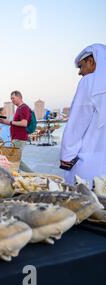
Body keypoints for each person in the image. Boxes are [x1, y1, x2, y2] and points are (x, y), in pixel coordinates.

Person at [60, 43, 106, 186]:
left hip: (90, 165)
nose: (80, 72)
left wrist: (66, 157)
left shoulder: (90, 82)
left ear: (91, 62)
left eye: (81, 66)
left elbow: (77, 123)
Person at [0, 90, 33, 172]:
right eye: (11, 98)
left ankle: (32, 174)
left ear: (19, 97)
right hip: (16, 137)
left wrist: (9, 122)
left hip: (19, 138)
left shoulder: (24, 108)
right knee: (14, 159)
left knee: (14, 159)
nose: (12, 100)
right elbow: (15, 123)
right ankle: (18, 175)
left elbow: (24, 123)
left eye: (13, 98)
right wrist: (7, 122)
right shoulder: (19, 108)